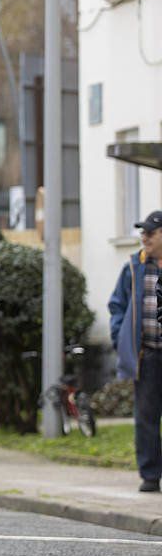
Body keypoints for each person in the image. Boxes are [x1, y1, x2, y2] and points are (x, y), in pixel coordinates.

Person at [109, 210, 162, 492]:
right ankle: (151, 475)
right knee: (146, 417)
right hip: (148, 355)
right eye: (143, 233)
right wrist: (120, 340)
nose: (145, 238)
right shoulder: (134, 267)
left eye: (151, 233)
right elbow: (117, 305)